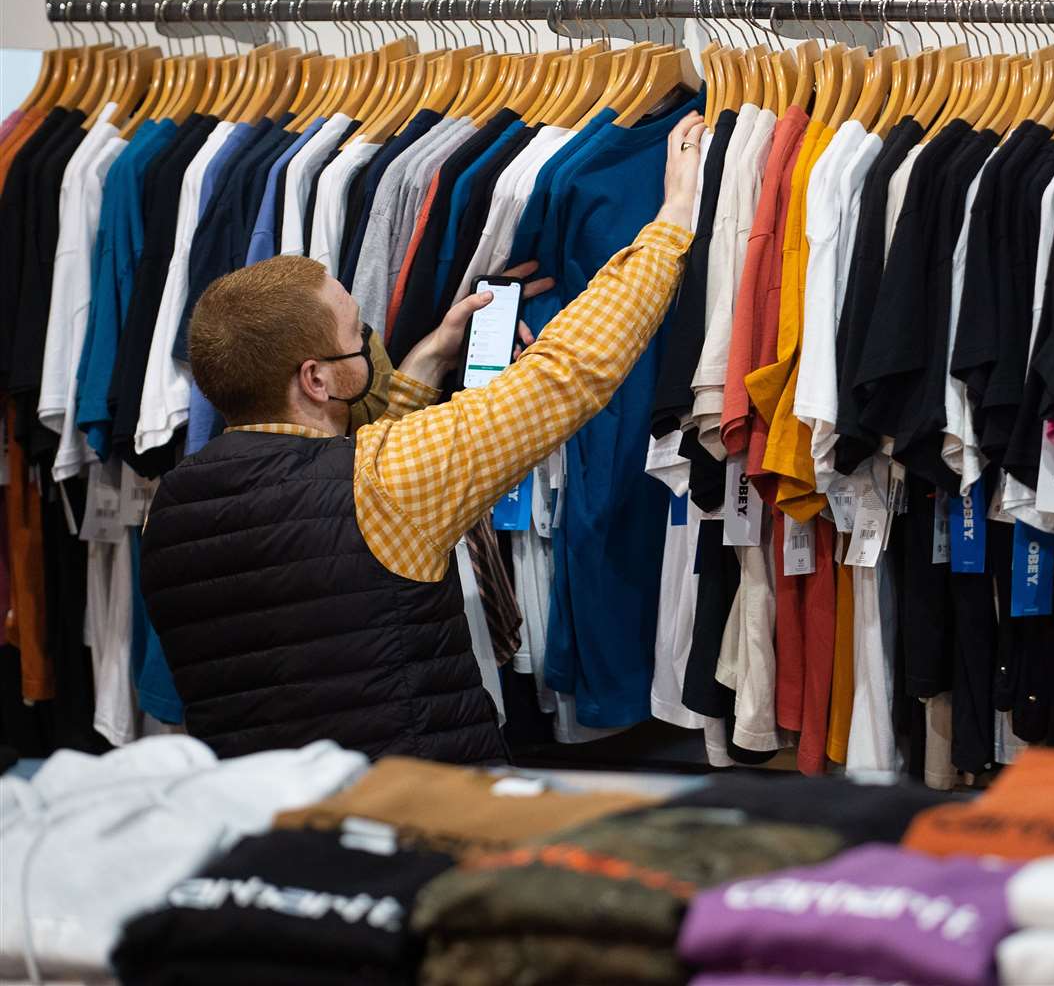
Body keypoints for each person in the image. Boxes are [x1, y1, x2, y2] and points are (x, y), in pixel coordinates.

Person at [139, 113, 708, 763]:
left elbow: (327, 521)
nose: (369, 347)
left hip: (271, 818)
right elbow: (569, 372)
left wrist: (431, 357)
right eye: (358, 337)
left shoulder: (175, 504)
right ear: (316, 379)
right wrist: (672, 223)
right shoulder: (385, 479)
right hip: (415, 812)